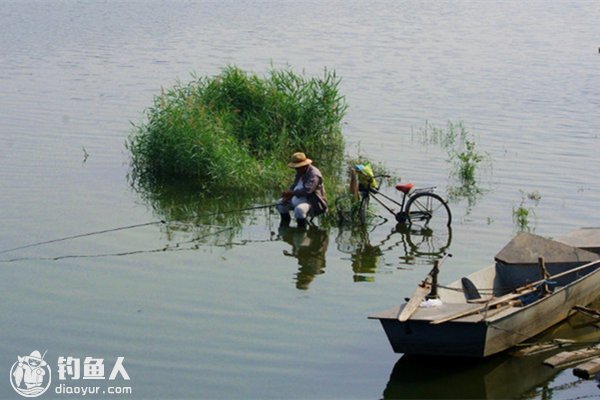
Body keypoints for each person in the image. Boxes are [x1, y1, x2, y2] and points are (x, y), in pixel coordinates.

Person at [276, 152, 327, 227]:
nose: (296, 169)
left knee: (299, 210)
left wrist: (292, 193)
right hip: (296, 199)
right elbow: (294, 186)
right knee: (280, 204)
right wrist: (287, 197)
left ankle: (301, 232)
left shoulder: (314, 174)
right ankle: (286, 229)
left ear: (305, 166)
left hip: (312, 202)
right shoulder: (300, 172)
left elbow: (308, 190)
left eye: (298, 167)